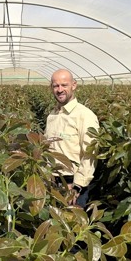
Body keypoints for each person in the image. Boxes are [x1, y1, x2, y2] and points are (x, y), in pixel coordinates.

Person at [45, 69, 99, 207]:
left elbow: (90, 153)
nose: (60, 90)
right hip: (53, 183)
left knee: (72, 220)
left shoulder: (84, 115)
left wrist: (77, 187)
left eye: (64, 85)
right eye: (56, 86)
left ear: (73, 85)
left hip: (73, 185)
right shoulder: (52, 115)